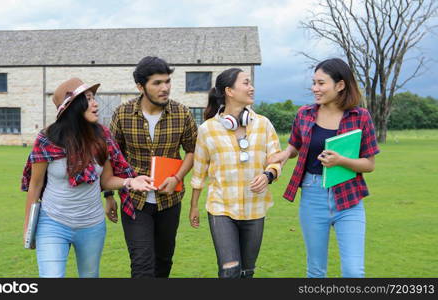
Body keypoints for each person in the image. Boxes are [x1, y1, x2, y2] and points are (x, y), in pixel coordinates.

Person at [21, 78, 156, 278]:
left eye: (93, 98)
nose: (95, 103)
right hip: (52, 223)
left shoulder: (102, 136)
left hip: (91, 225)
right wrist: (28, 228)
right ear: (73, 106)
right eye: (88, 99)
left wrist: (130, 181)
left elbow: (106, 180)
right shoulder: (47, 139)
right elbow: (36, 184)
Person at [268, 58, 380, 278]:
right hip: (313, 195)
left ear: (340, 85)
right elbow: (295, 145)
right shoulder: (305, 114)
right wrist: (284, 154)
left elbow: (369, 164)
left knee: (353, 272)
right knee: (316, 271)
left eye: (321, 83)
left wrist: (341, 161)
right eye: (314, 83)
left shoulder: (361, 117)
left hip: (349, 199)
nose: (315, 89)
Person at [104, 56, 198, 278]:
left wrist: (176, 177)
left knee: (163, 262)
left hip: (170, 201)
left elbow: (193, 150)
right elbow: (111, 157)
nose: (165, 88)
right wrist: (109, 195)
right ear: (140, 87)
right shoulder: (123, 114)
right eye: (157, 83)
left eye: (167, 81)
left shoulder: (182, 113)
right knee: (142, 265)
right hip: (134, 202)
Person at [189, 68, 282, 278]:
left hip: (255, 208)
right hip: (221, 208)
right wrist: (194, 206)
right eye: (246, 83)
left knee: (246, 272)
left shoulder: (263, 124)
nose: (252, 88)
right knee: (229, 271)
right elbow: (198, 172)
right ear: (229, 91)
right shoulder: (207, 129)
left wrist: (268, 175)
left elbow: (276, 160)